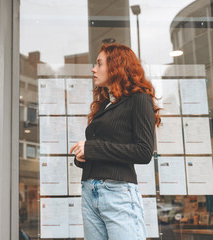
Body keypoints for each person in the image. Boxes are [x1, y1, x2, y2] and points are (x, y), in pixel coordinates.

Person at [69, 43, 161, 240]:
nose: (93, 69)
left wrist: (92, 148)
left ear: (116, 67)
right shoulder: (105, 104)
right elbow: (103, 149)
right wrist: (83, 156)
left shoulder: (139, 99)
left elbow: (144, 152)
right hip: (89, 190)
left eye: (99, 64)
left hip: (117, 192)